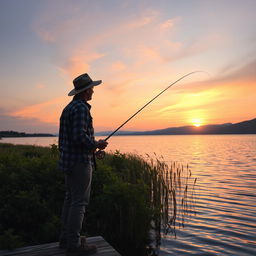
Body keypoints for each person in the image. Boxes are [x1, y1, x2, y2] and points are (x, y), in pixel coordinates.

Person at [58, 73, 108, 256]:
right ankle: (74, 245)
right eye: (92, 88)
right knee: (79, 202)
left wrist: (93, 149)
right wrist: (96, 144)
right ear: (86, 90)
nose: (93, 90)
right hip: (79, 163)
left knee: (70, 200)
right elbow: (79, 136)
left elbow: (69, 139)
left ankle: (65, 239)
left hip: (69, 161)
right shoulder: (81, 108)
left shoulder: (69, 108)